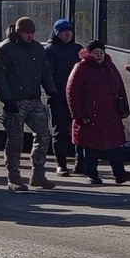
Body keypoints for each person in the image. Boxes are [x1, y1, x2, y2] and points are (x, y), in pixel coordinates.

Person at [0, 17, 55, 192]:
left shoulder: (37, 48)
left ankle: (38, 174)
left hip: (34, 99)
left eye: (32, 33)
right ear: (18, 32)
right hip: (15, 101)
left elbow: (45, 71)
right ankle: (13, 178)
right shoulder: (5, 49)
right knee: (15, 141)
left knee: (44, 136)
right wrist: (7, 100)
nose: (30, 36)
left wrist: (51, 91)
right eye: (27, 33)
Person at [64, 40, 130, 185]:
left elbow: (120, 87)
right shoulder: (81, 68)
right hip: (90, 115)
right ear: (89, 54)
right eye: (96, 53)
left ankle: (120, 174)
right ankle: (92, 175)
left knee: (115, 146)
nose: (99, 55)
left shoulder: (110, 66)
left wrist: (123, 107)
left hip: (110, 114)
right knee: (90, 147)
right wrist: (78, 116)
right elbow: (72, 93)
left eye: (101, 52)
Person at [42, 18, 84, 175]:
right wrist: (52, 93)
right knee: (59, 130)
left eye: (69, 30)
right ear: (57, 33)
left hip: (77, 97)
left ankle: (80, 162)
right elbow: (47, 76)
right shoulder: (50, 50)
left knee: (79, 129)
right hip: (57, 97)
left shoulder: (78, 49)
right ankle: (61, 164)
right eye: (63, 31)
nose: (67, 33)